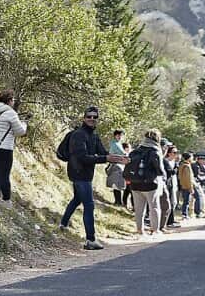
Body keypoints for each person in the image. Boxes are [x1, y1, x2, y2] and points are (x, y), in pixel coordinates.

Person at [59, 106, 127, 249]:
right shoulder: (79, 135)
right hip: (78, 173)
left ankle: (63, 224)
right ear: (84, 118)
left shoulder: (94, 136)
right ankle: (90, 240)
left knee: (77, 199)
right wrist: (106, 158)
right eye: (89, 116)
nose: (92, 119)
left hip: (85, 174)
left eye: (94, 117)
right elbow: (82, 157)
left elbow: (102, 152)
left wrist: (119, 159)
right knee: (89, 205)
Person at [0, 89, 27, 200]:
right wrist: (24, 124)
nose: (13, 101)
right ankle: (6, 199)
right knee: (4, 175)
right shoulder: (11, 113)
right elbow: (20, 132)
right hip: (5, 148)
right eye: (13, 99)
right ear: (9, 101)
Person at [127, 129, 165, 236]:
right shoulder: (155, 151)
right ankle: (155, 230)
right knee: (154, 207)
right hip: (150, 184)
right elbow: (160, 170)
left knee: (139, 209)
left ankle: (140, 230)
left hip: (135, 184)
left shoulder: (135, 151)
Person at [106, 129, 128, 206]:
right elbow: (122, 153)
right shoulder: (115, 144)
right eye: (118, 135)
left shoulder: (118, 143)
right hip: (116, 166)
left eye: (121, 135)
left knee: (118, 184)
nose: (119, 137)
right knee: (116, 184)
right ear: (115, 135)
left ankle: (118, 201)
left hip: (119, 165)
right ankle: (117, 201)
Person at [178, 152, 202, 218]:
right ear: (189, 158)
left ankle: (184, 214)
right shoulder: (187, 166)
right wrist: (190, 188)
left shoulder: (182, 165)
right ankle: (197, 213)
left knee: (186, 201)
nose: (192, 158)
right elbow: (188, 178)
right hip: (189, 185)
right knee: (197, 197)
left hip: (184, 185)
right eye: (191, 157)